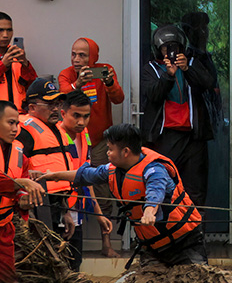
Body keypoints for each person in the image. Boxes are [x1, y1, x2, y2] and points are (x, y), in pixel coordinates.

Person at [35, 123, 207, 267]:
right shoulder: (112, 170)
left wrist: (149, 211)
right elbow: (85, 175)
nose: (107, 153)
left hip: (185, 242)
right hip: (153, 247)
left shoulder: (155, 169)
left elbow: (156, 191)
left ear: (125, 151)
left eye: (110, 149)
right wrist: (53, 175)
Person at [59, 38, 124, 257]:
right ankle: (69, 247)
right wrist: (78, 84)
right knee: (69, 189)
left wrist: (109, 83)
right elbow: (63, 98)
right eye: (74, 54)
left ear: (93, 57)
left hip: (100, 144)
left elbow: (119, 98)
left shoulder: (104, 71)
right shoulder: (66, 74)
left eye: (82, 55)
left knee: (104, 192)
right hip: (72, 141)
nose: (77, 60)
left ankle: (106, 244)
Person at [141, 24, 216, 207]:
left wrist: (187, 70)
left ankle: (196, 232)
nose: (171, 52)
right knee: (165, 186)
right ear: (158, 49)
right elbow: (154, 95)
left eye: (175, 47)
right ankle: (168, 232)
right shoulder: (150, 69)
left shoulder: (191, 64)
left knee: (195, 190)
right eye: (166, 47)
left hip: (194, 138)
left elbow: (208, 83)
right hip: (165, 137)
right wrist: (169, 75)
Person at [17, 78, 80, 263]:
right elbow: (17, 170)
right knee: (39, 254)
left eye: (57, 103)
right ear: (32, 107)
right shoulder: (24, 131)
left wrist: (65, 211)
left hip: (55, 203)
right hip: (36, 204)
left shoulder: (59, 131)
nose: (55, 109)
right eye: (49, 104)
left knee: (56, 251)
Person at [59, 90, 111, 269]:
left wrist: (98, 214)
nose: (81, 122)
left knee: (75, 263)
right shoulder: (55, 137)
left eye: (86, 116)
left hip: (77, 211)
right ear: (63, 113)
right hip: (57, 212)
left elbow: (86, 177)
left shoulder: (84, 135)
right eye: (76, 116)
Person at [0, 100, 44, 283]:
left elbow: (23, 184)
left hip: (4, 226)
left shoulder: (20, 154)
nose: (15, 128)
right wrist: (22, 184)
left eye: (17, 123)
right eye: (10, 123)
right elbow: (21, 181)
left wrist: (24, 199)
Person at [0, 12, 38, 112]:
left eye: (9, 30)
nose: (5, 35)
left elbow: (33, 86)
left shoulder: (16, 55)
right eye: (1, 30)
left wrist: (25, 64)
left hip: (19, 115)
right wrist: (3, 65)